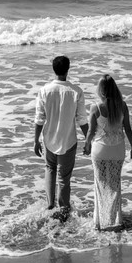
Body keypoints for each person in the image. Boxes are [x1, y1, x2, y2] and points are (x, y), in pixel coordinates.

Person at [33, 55, 88, 218]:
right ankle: (63, 210)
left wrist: (36, 140)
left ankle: (50, 205)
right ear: (68, 69)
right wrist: (88, 139)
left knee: (50, 169)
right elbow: (82, 119)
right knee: (64, 177)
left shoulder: (44, 91)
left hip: (49, 139)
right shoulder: (76, 91)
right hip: (68, 140)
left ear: (54, 70)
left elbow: (39, 119)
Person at [82, 74, 132, 231]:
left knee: (100, 185)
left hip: (100, 149)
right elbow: (128, 128)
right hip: (118, 149)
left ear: (101, 90)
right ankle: (115, 221)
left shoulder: (96, 107)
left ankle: (100, 223)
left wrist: (86, 145)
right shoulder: (123, 106)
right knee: (115, 185)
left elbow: (91, 131)